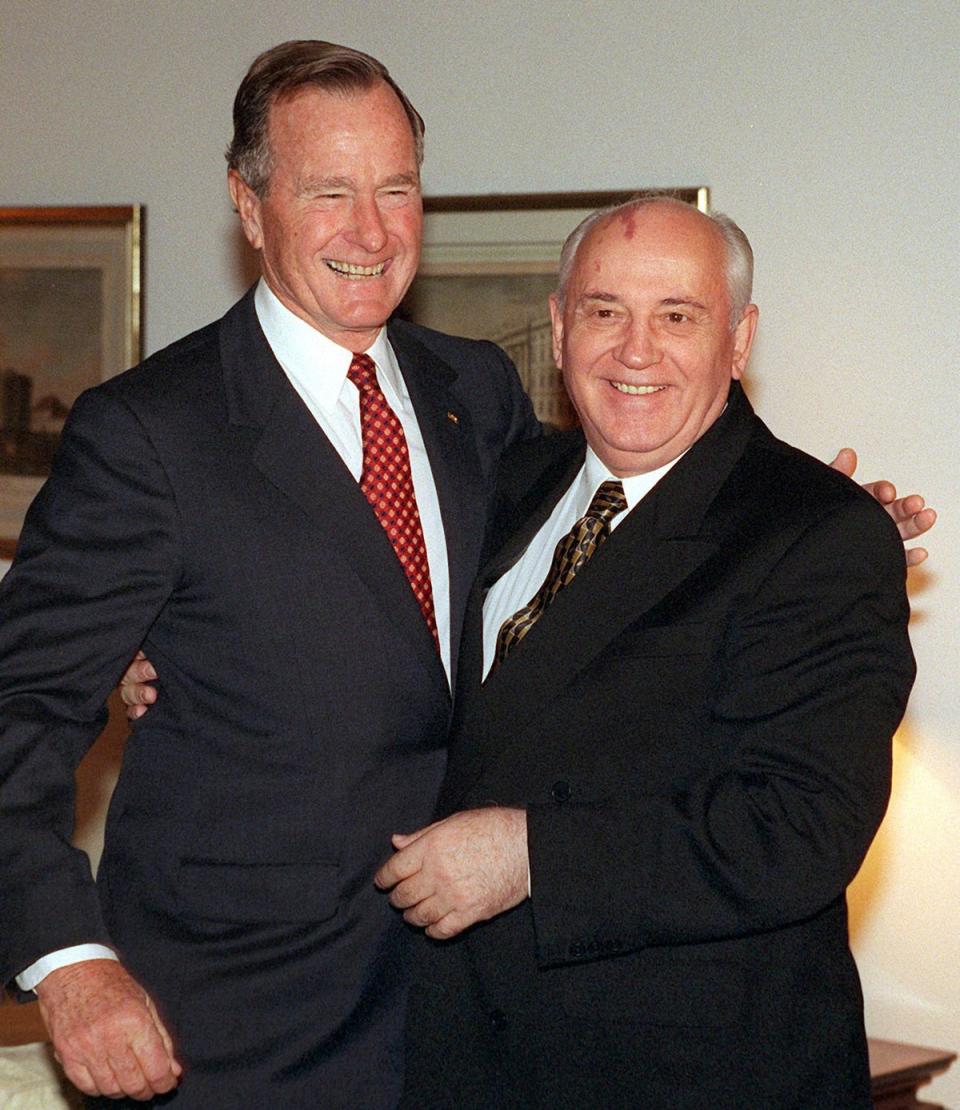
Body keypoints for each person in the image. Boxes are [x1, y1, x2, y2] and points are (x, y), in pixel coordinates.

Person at [0, 40, 538, 1108]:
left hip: (467, 1022)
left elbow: (610, 537)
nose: (372, 232)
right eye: (329, 192)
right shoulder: (149, 434)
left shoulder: (475, 390)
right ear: (248, 207)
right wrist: (71, 967)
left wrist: (807, 525)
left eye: (396, 190)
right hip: (238, 1036)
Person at [374, 197, 920, 1108]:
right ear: (557, 329)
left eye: (678, 316)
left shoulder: (818, 533)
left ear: (739, 341)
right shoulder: (505, 487)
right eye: (604, 311)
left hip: (689, 1079)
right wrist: (160, 658)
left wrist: (531, 855)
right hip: (458, 1060)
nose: (636, 351)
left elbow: (800, 827)